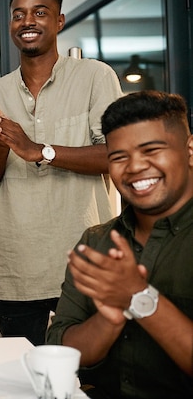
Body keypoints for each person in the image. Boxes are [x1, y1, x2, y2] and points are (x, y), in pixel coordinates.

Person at [0, 0, 123, 345]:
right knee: (28, 381)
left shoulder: (95, 77)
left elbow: (116, 156)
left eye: (40, 12)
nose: (27, 20)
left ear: (60, 21)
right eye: (18, 14)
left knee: (88, 383)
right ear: (10, 25)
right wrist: (1, 144)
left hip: (87, 268)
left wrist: (40, 149)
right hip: (18, 275)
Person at [47, 91, 193, 398]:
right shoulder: (97, 241)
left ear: (189, 150)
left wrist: (139, 298)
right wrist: (109, 319)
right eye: (119, 157)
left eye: (151, 150)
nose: (135, 166)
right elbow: (60, 350)